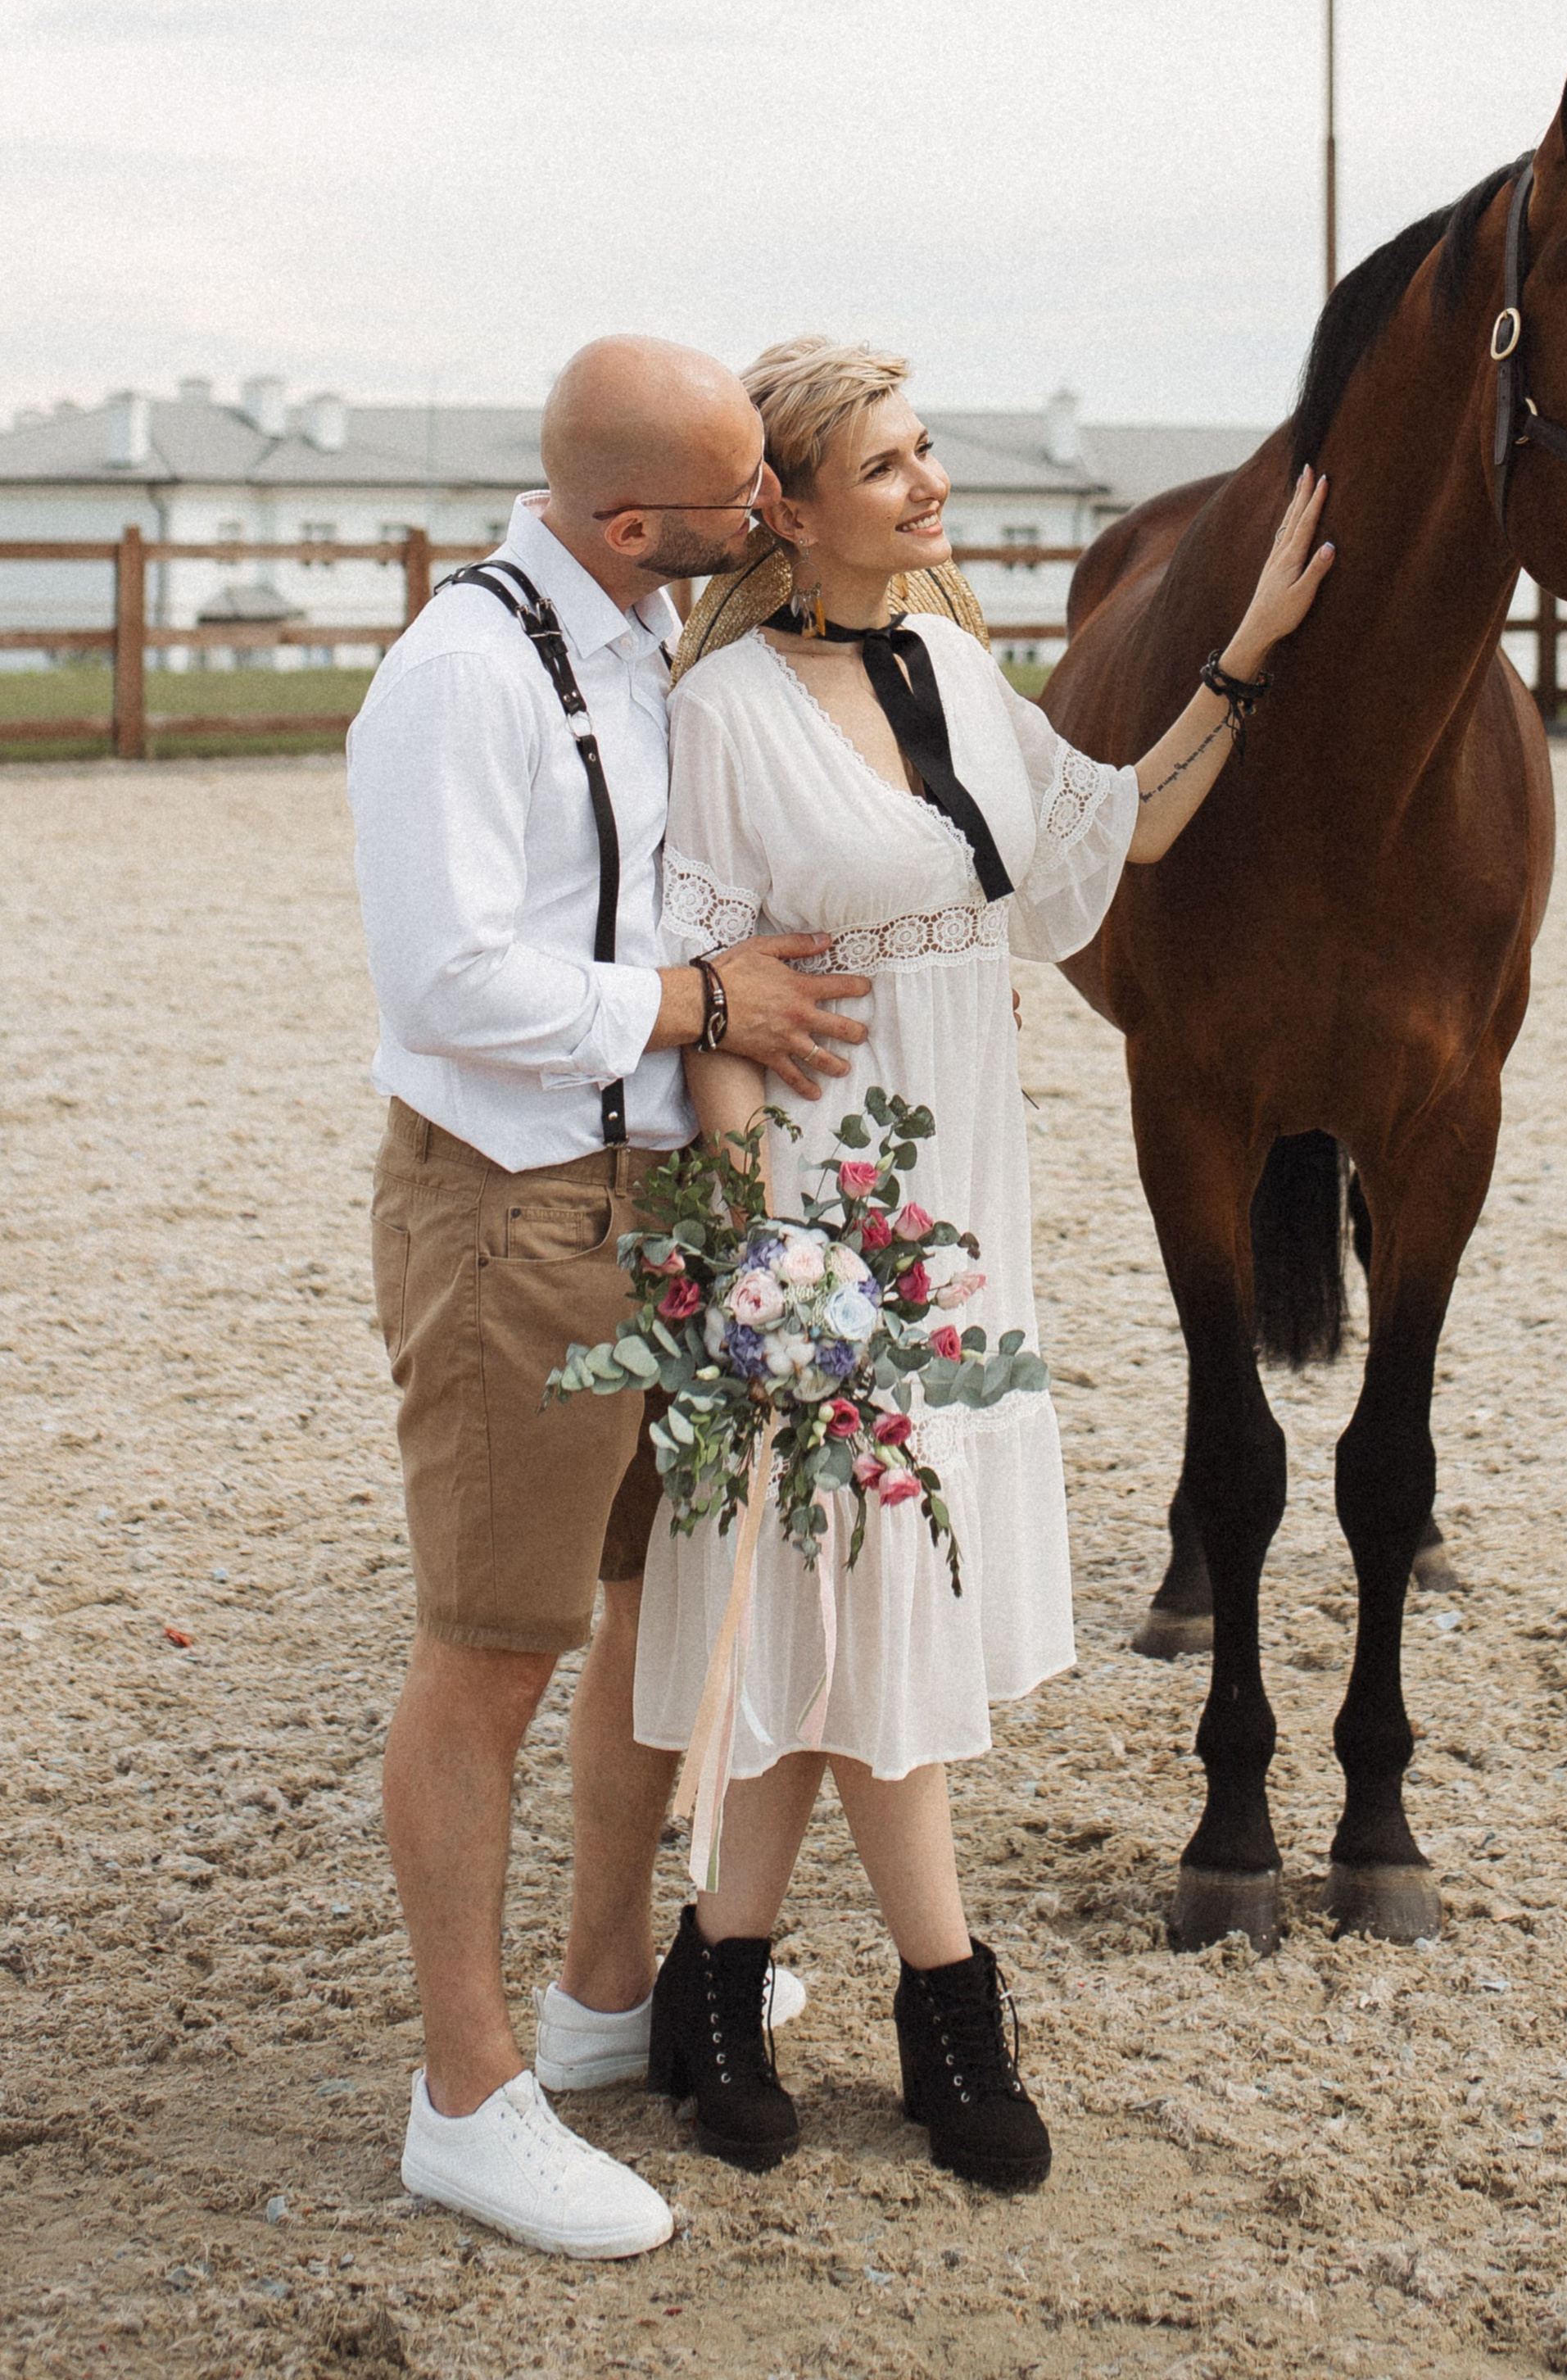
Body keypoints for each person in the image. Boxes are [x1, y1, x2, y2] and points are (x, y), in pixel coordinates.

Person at [631, 334, 1332, 2191]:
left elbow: (1110, 830)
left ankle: (713, 1978)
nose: (929, 487)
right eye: (886, 466)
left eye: (926, 451)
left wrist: (1244, 653)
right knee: (860, 1569)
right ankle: (949, 2002)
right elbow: (707, 991)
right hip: (820, 1190)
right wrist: (751, 1258)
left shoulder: (946, 658)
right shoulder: (723, 717)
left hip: (965, 1184)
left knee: (836, 1591)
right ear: (783, 503)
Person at [346, 335, 880, 2260]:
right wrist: (693, 1004)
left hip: (656, 1199)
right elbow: (449, 983)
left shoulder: (641, 644)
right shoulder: (459, 676)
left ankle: (593, 2002)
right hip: (510, 1213)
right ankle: (465, 2100)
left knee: (657, 1612)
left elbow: (643, 888)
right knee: (492, 1652)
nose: (765, 518)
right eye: (739, 496)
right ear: (627, 517)